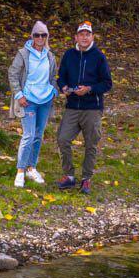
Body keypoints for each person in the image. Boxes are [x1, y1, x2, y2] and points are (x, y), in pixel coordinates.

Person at [56, 21, 112, 194]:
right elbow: (61, 77)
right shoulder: (69, 55)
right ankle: (69, 176)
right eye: (81, 34)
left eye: (87, 34)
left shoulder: (99, 56)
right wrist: (64, 87)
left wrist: (89, 89)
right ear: (76, 37)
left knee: (91, 145)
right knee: (62, 139)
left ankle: (86, 179)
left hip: (92, 108)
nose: (84, 37)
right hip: (72, 106)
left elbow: (107, 83)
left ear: (92, 37)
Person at [8, 21, 58, 187]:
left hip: (45, 101)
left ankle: (31, 167)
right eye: (37, 34)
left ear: (47, 37)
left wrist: (53, 91)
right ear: (32, 36)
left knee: (38, 135)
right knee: (28, 135)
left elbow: (52, 76)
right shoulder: (23, 54)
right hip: (28, 100)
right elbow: (13, 74)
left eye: (43, 35)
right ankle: (20, 171)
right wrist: (19, 94)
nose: (40, 38)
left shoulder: (50, 56)